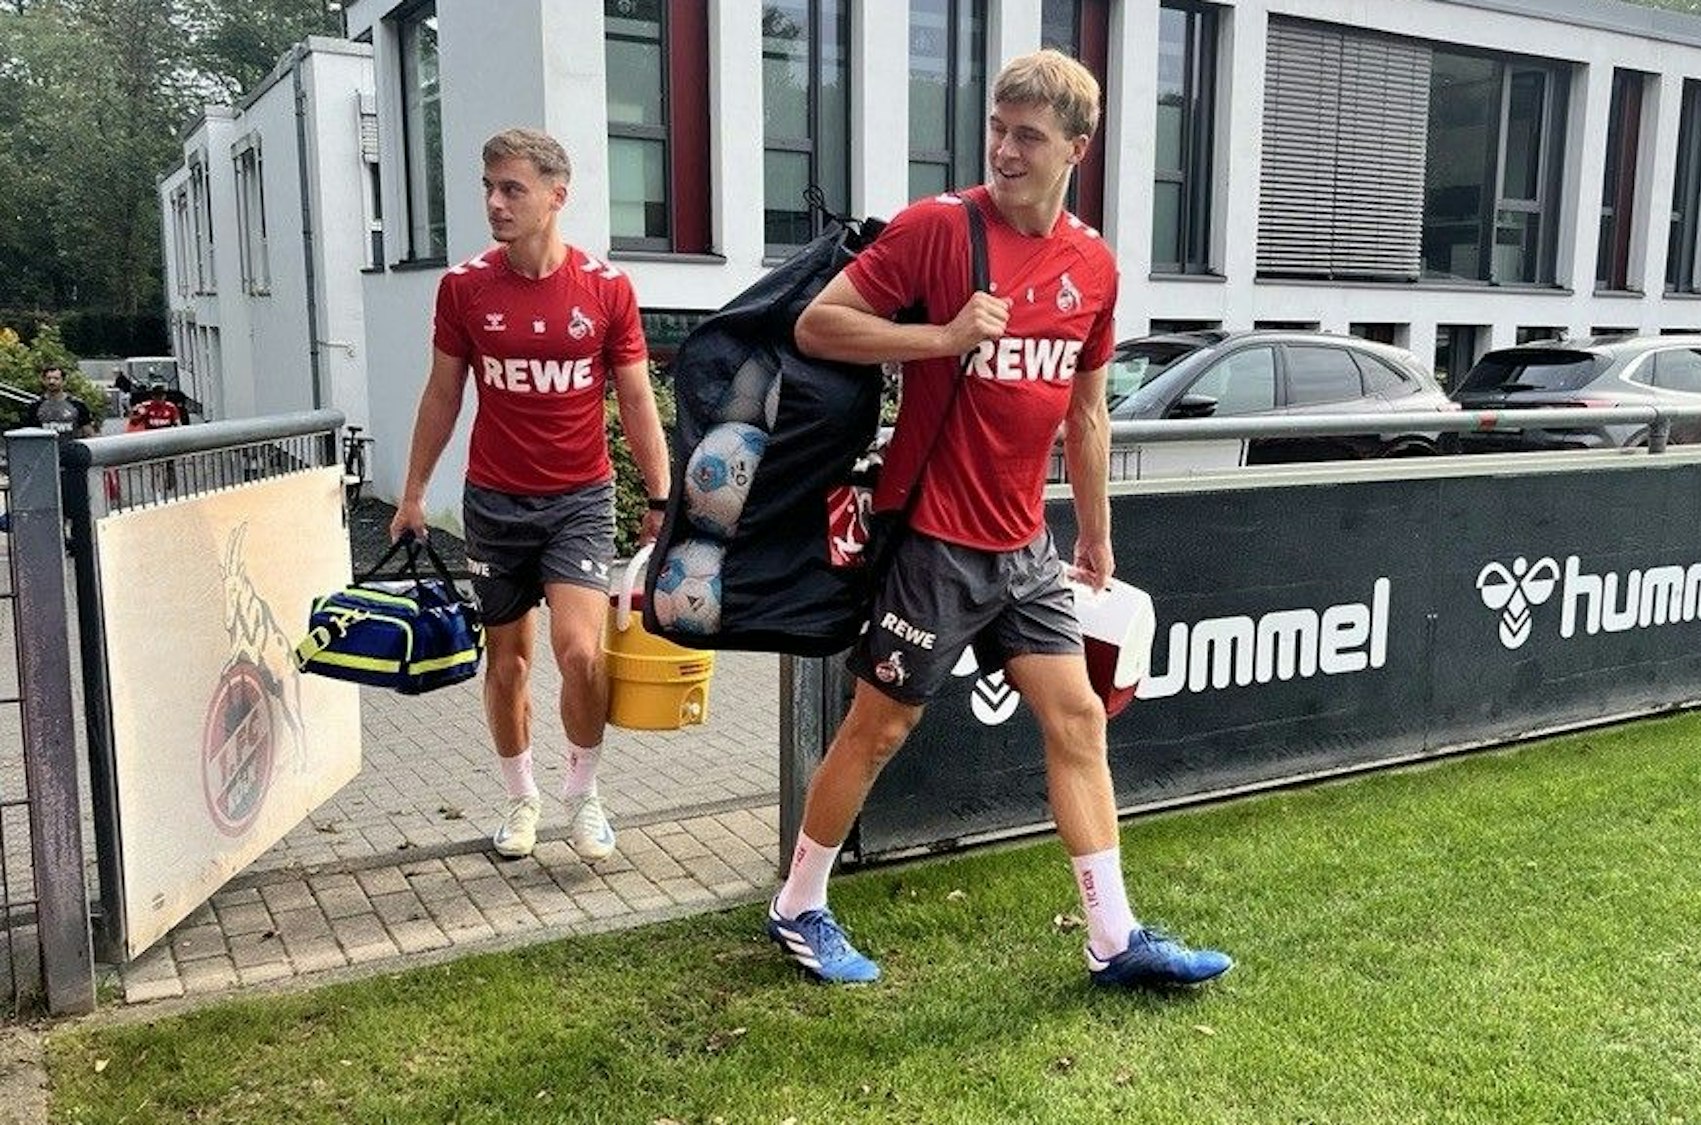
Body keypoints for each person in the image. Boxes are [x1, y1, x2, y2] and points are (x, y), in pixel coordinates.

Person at [769, 50, 1232, 989]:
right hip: (933, 539)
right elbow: (819, 324)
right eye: (997, 128)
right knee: (879, 730)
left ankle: (1114, 939)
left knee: (1078, 720)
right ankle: (797, 905)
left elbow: (1087, 411)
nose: (1005, 150)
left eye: (1028, 135)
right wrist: (938, 338)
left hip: (1026, 546)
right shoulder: (941, 230)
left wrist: (1095, 533)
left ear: (1077, 148)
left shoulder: (1092, 266)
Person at [389, 127, 671, 864]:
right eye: (489, 186)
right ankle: (520, 796)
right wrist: (413, 492)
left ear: (556, 196)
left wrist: (662, 496)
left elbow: (637, 401)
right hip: (495, 502)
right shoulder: (464, 287)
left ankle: (584, 794)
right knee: (508, 664)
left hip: (579, 499)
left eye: (512, 188)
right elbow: (443, 394)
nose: (495, 201)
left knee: (581, 653)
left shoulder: (605, 288)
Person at [22, 366, 97, 438]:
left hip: (72, 449)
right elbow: (30, 434)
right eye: (48, 378)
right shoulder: (35, 406)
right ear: (44, 381)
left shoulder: (77, 405)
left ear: (63, 381)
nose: (52, 381)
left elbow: (89, 433)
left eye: (56, 378)